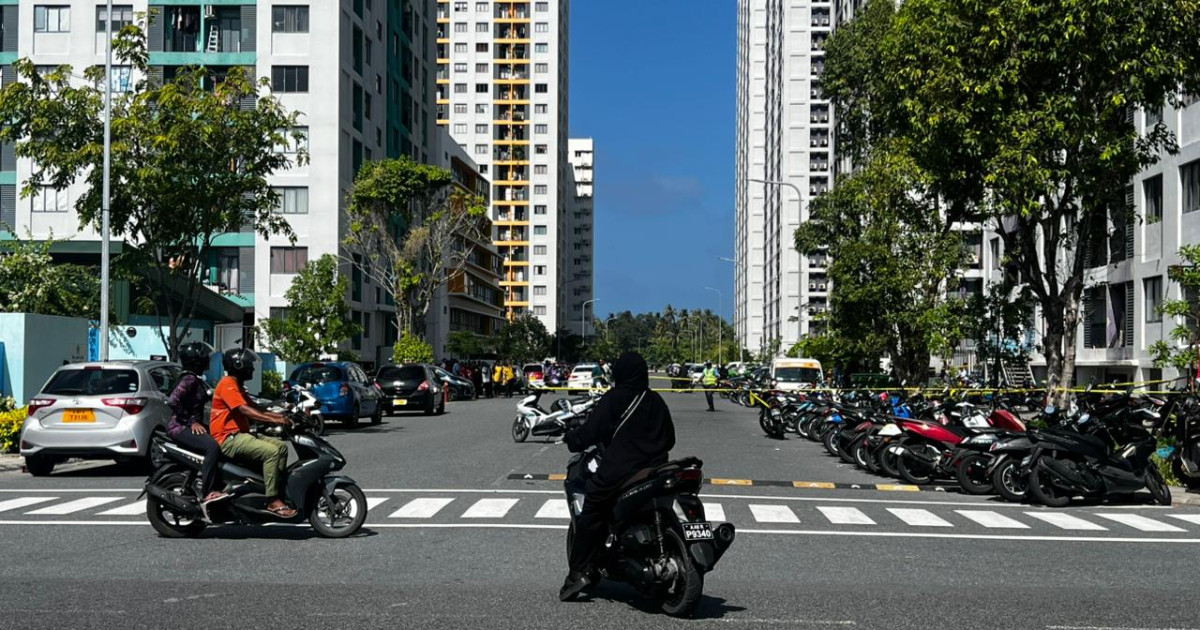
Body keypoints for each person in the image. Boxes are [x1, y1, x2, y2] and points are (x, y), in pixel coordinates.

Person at [560, 351, 675, 602]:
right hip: (656, 470)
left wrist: (572, 439)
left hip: (621, 472)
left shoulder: (614, 399)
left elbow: (590, 432)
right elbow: (670, 438)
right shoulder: (655, 400)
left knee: (592, 510)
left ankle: (577, 573)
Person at [210, 348, 296, 518]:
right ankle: (272, 500)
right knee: (271, 452)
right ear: (238, 365)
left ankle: (276, 488)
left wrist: (283, 415)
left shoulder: (237, 386)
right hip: (228, 438)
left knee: (281, 447)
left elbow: (256, 407)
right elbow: (245, 410)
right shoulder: (227, 385)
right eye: (249, 365)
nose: (253, 369)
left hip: (241, 434)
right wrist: (276, 420)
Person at [165, 341, 227, 507]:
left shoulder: (196, 379)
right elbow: (172, 401)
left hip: (188, 425)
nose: (209, 360)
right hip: (179, 427)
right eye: (206, 358)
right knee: (212, 447)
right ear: (197, 361)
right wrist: (191, 422)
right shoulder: (189, 379)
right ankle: (209, 491)